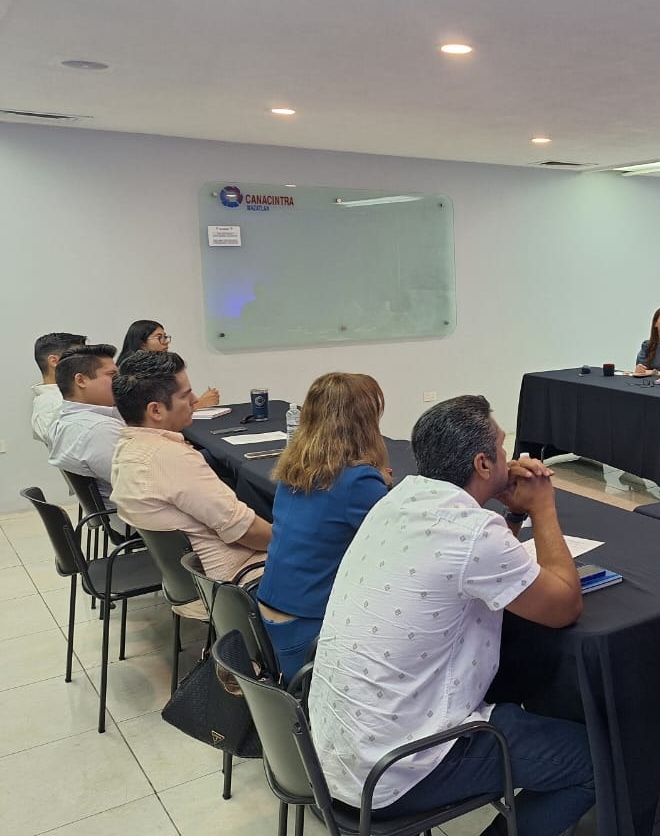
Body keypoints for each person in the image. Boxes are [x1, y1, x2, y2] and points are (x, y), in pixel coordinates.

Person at [308, 395, 594, 836]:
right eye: (501, 448)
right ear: (483, 463)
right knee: (594, 761)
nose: (510, 457)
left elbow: (472, 567)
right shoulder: (471, 531)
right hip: (395, 769)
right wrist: (542, 508)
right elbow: (564, 606)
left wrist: (511, 511)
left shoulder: (397, 500)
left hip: (333, 754)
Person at [255, 373, 392, 681]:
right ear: (364, 422)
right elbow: (394, 546)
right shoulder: (359, 481)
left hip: (270, 617)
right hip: (309, 636)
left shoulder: (293, 470)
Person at [110, 350, 272, 581]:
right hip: (241, 577)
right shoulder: (172, 459)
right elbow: (247, 531)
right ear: (156, 410)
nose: (195, 400)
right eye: (185, 395)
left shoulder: (126, 448)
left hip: (193, 578)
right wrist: (293, 544)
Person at [46, 344, 124, 502]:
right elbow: (141, 483)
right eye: (112, 375)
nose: (120, 381)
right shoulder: (99, 430)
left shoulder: (61, 420)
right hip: (131, 514)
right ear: (81, 380)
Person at [120, 320, 220, 408]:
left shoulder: (162, 366)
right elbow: (159, 411)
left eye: (165, 337)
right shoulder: (134, 372)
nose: (166, 342)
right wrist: (200, 404)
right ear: (142, 343)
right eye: (159, 337)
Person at [31, 332, 86, 446]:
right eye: (79, 357)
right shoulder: (51, 404)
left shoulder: (64, 397)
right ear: (54, 361)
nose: (88, 363)